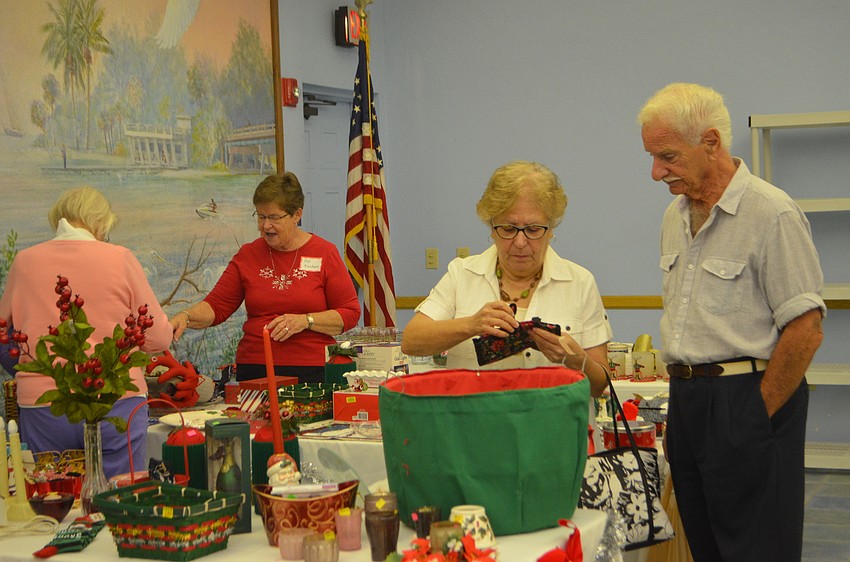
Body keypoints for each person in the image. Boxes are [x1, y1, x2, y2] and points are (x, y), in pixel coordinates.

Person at [638, 83, 825, 562]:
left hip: (747, 396)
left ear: (711, 143)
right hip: (686, 403)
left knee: (759, 548)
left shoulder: (772, 213)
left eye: (667, 156)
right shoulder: (672, 216)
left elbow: (805, 330)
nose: (656, 171)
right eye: (653, 157)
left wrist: (753, 414)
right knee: (706, 546)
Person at [0, 186, 172, 479]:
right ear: (100, 223)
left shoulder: (25, 262)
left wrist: (27, 373)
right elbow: (157, 338)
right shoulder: (120, 257)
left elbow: (4, 336)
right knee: (119, 498)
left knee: (52, 497)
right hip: (116, 400)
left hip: (43, 406)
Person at [401, 160, 612, 397]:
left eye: (533, 230)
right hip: (478, 424)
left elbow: (599, 385)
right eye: (508, 229)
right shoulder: (462, 274)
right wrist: (471, 325)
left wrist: (576, 360)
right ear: (491, 228)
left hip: (554, 427)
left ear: (551, 228)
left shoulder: (580, 282)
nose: (520, 243)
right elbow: (411, 341)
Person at [171, 172, 360, 383]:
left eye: (274, 217)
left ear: (297, 215)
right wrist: (185, 317)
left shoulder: (325, 253)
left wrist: (306, 321)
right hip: (255, 370)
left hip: (312, 371)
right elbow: (217, 306)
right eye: (260, 216)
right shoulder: (248, 255)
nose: (265, 225)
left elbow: (350, 313)